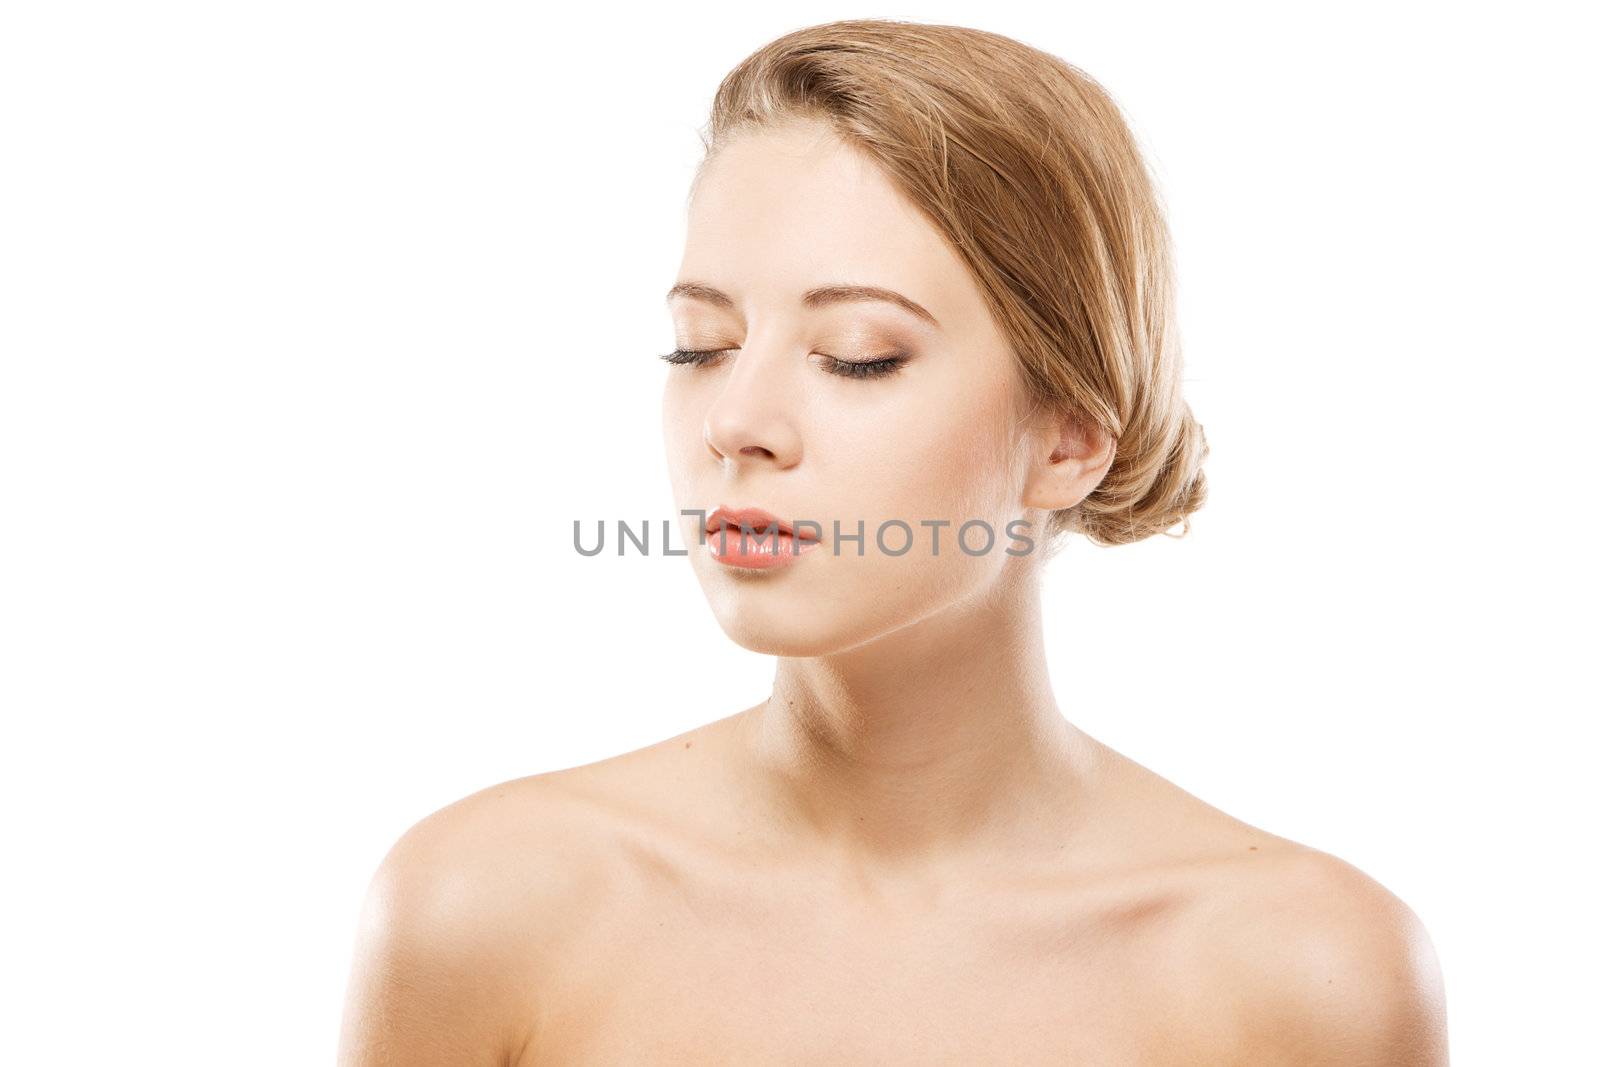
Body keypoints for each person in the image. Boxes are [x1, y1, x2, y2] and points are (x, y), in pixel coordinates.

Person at [338, 18, 1447, 1064]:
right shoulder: (483, 909)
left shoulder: (1303, 975)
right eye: (700, 346)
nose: (735, 423)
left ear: (1066, 441)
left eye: (857, 355)